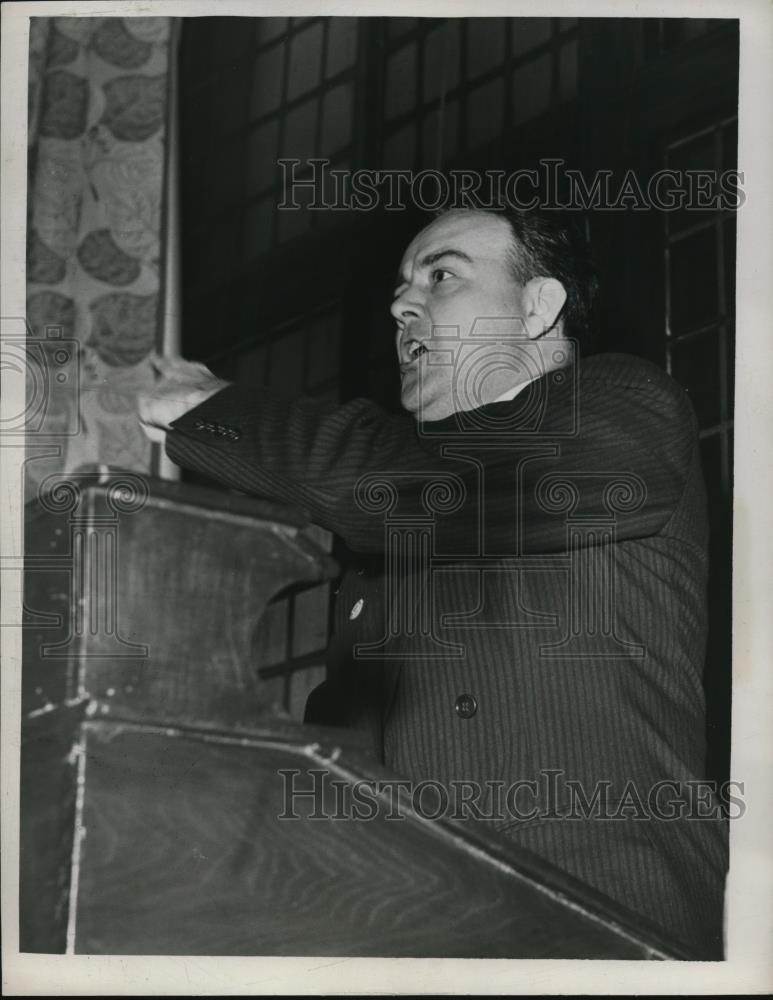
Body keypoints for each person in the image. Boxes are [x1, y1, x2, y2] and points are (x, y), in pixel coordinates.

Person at [138, 207, 728, 957]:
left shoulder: (625, 406)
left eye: (440, 275)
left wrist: (214, 411)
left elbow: (419, 484)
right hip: (421, 940)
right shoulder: (378, 553)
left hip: (614, 932)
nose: (399, 304)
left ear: (539, 307)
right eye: (399, 287)